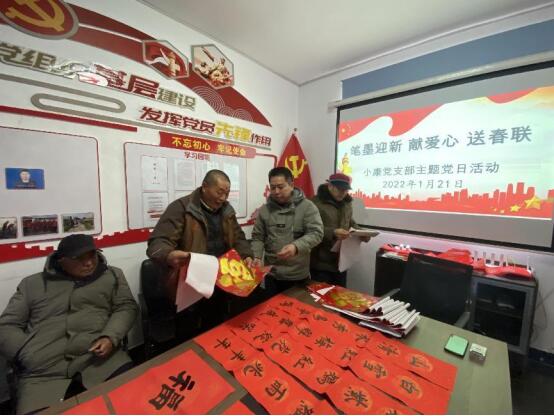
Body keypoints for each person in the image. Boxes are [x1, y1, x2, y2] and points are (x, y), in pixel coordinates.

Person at [0, 234, 138, 414]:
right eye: (79, 259)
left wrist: (110, 337)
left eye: (92, 255)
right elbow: (6, 326)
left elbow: (126, 307)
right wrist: (26, 352)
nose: (89, 263)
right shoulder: (32, 284)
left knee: (133, 402)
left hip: (99, 361)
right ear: (62, 261)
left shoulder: (112, 275)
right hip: (43, 374)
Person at [147, 169, 254, 331]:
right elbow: (158, 242)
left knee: (216, 325)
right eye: (219, 192)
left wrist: (246, 255)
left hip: (221, 278)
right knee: (188, 329)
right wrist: (168, 255)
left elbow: (238, 237)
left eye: (226, 193)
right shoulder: (182, 208)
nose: (223, 198)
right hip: (191, 281)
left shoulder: (226, 209)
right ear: (205, 187)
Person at [251, 167, 323, 297]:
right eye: (273, 188)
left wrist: (296, 247)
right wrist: (256, 256)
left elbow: (316, 233)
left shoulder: (307, 207)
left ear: (291, 185)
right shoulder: (265, 210)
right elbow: (258, 236)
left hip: (297, 276)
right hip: (271, 274)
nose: (276, 192)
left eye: (281, 187)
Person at [310, 173, 371, 287]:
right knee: (320, 295)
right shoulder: (315, 203)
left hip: (342, 261)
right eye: (339, 189)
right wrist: (332, 232)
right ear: (330, 186)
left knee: (340, 295)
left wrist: (362, 233)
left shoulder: (347, 204)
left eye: (345, 190)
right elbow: (309, 228)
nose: (342, 193)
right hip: (321, 263)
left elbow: (350, 223)